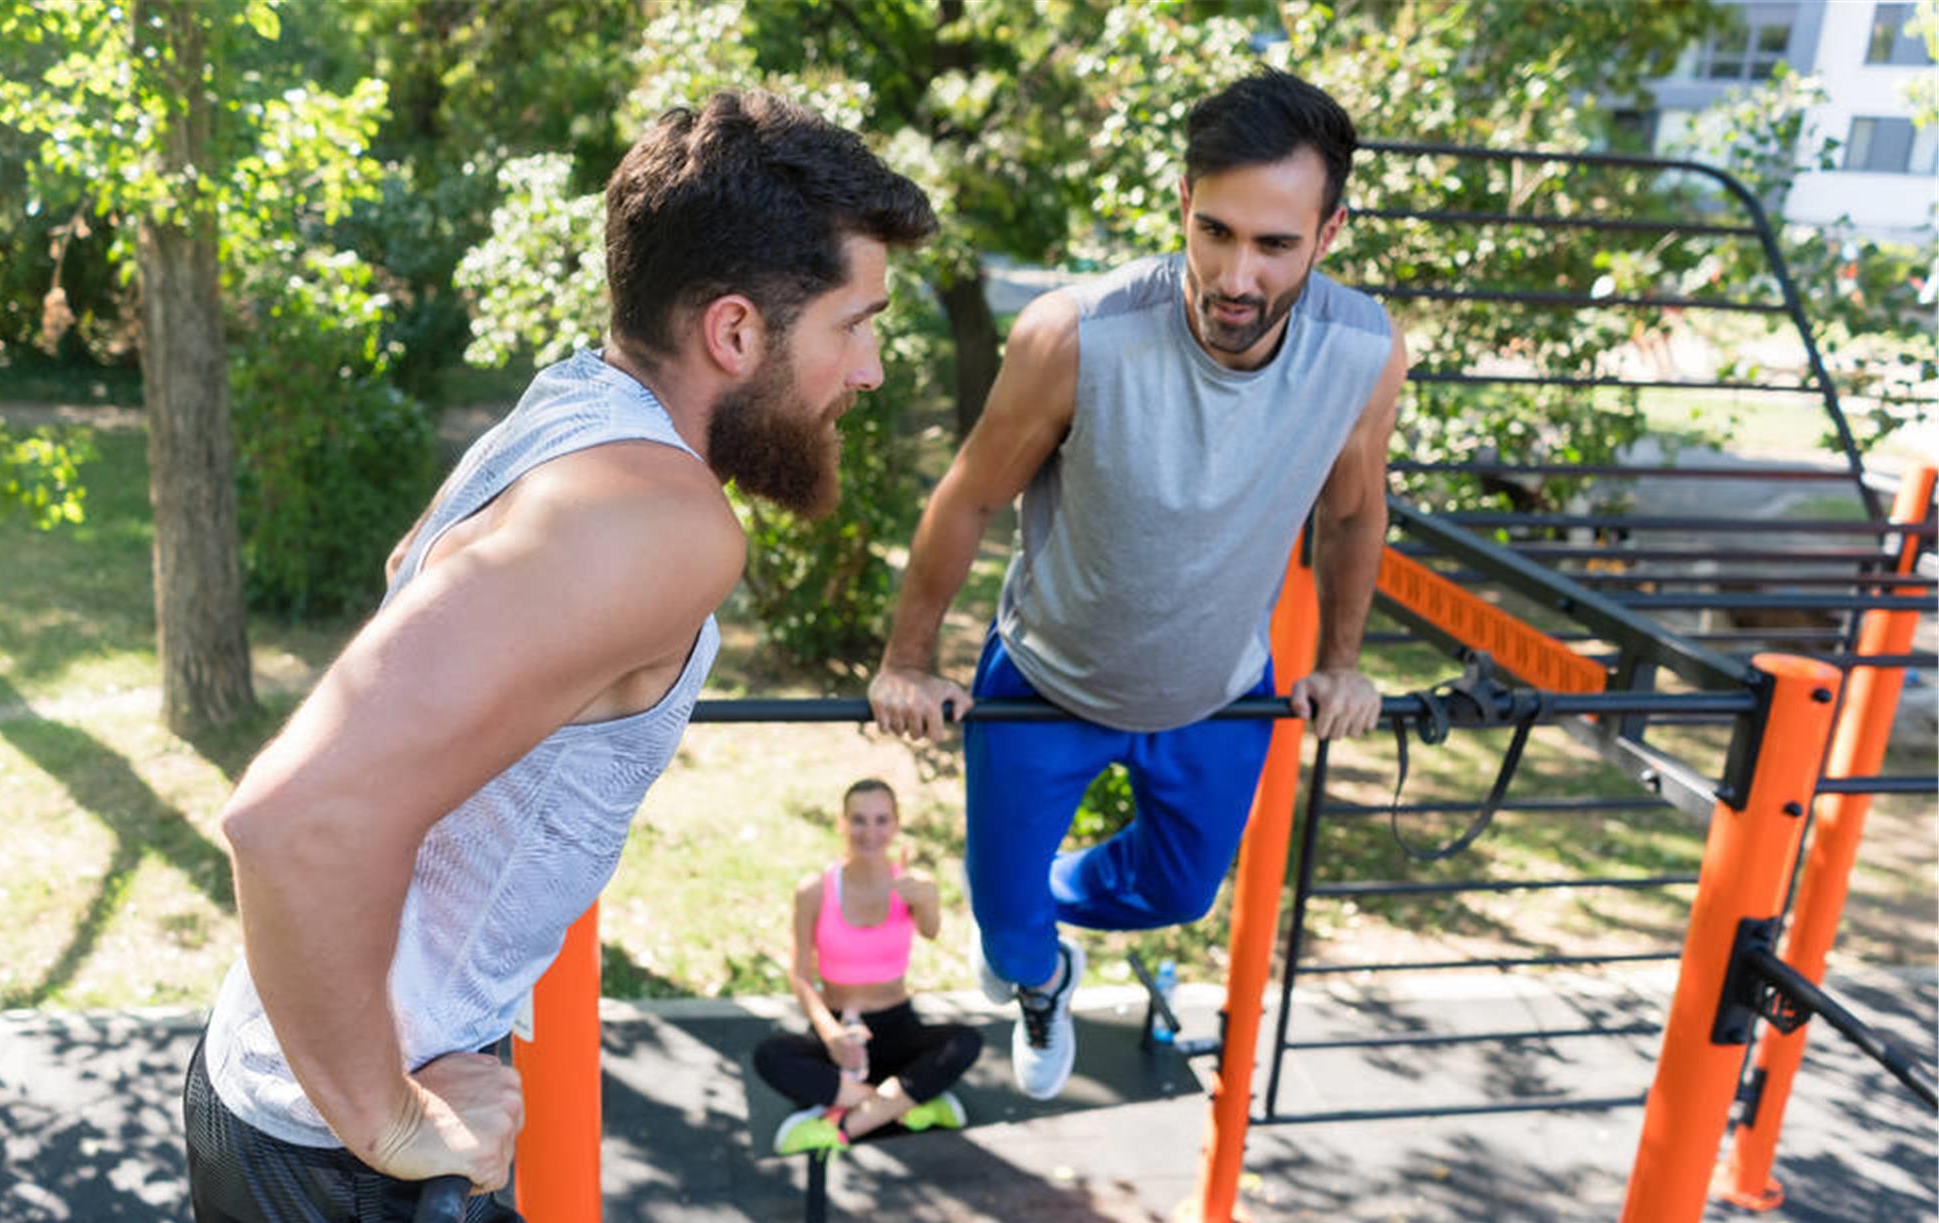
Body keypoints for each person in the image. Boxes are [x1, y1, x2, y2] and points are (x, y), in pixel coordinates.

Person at [183, 91, 936, 1222]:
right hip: (344, 1151)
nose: (869, 369)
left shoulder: (571, 406)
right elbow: (290, 823)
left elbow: (410, 578)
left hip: (291, 1094)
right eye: (853, 324)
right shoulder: (667, 524)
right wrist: (388, 1114)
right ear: (734, 332)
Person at [866, 68, 1406, 1102]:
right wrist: (905, 659)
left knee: (1176, 889)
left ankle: (1038, 912)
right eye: (1214, 231)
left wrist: (1340, 665)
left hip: (1218, 689)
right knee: (1009, 934)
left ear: (1327, 234)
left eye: (1274, 243)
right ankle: (1037, 973)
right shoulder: (1076, 334)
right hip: (1042, 683)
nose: (1234, 274)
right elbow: (969, 495)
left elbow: (1350, 509)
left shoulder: (1361, 351)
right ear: (1181, 207)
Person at [751, 779, 983, 1156]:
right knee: (770, 1056)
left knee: (965, 1041)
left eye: (881, 820)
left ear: (895, 825)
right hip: (840, 1032)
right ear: (841, 824)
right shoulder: (813, 891)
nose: (870, 832)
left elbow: (931, 931)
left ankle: (843, 1124)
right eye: (859, 820)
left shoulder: (914, 884)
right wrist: (830, 1035)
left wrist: (927, 899)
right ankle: (905, 1102)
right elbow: (799, 975)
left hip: (898, 1027)